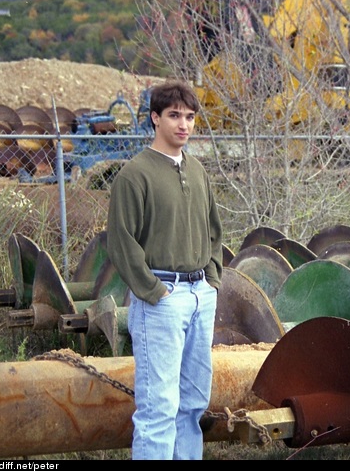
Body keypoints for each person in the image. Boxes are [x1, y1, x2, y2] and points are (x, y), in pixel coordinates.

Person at [107, 80, 224, 460]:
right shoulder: (134, 174)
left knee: (191, 406)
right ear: (155, 118)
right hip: (162, 300)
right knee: (158, 408)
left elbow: (213, 231)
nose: (184, 124)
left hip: (199, 296)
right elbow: (121, 242)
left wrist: (212, 282)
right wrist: (154, 291)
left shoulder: (198, 170)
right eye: (174, 115)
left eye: (190, 117)